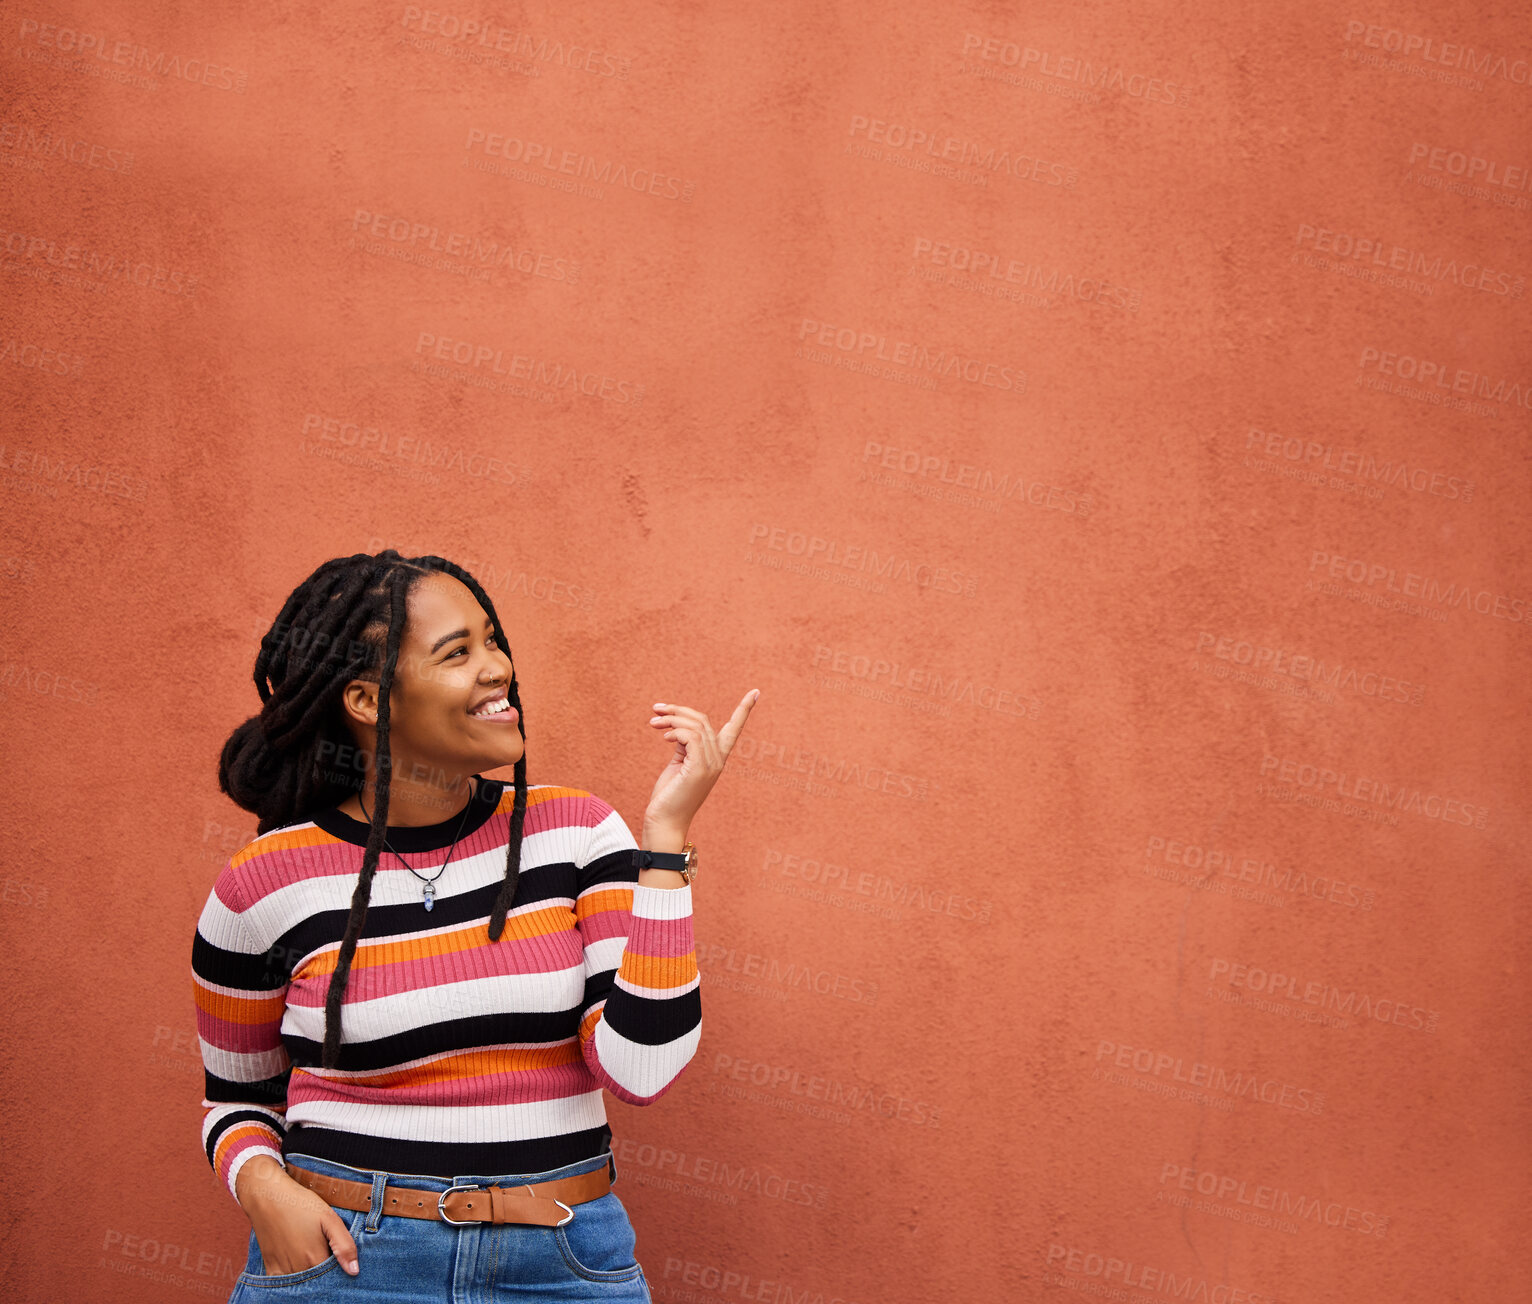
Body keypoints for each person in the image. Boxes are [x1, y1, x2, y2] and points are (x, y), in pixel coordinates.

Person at [192, 549, 758, 1301]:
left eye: (493, 641)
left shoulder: (575, 833)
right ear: (366, 700)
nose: (498, 669)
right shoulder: (264, 881)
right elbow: (235, 1100)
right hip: (351, 1261)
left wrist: (666, 842)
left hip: (561, 1262)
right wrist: (264, 1192)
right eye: (458, 652)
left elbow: (641, 1071)